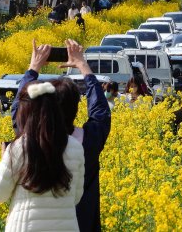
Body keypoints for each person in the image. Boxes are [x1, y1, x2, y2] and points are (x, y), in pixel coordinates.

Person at [10, 39, 111, 232]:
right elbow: (100, 113)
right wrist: (83, 66)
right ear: (74, 108)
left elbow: (18, 109)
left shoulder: (28, 139)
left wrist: (33, 68)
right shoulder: (86, 143)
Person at [0, 77, 85, 231]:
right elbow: (76, 197)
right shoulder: (75, 147)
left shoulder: (19, 148)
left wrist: (1, 163)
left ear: (25, 113)